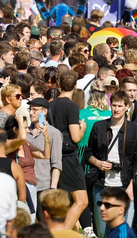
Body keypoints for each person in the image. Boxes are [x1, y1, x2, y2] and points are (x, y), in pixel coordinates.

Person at [84, 90, 137, 238]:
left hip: (124, 186)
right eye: (114, 105)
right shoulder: (99, 126)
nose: (116, 109)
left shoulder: (134, 130)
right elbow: (88, 153)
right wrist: (98, 163)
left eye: (120, 106)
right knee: (102, 231)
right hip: (101, 185)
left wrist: (131, 185)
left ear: (127, 107)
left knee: (122, 233)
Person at [48, 70, 89, 229]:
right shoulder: (72, 106)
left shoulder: (51, 104)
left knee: (63, 201)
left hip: (53, 155)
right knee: (82, 201)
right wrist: (82, 129)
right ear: (76, 85)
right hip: (68, 157)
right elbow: (76, 137)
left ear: (59, 83)